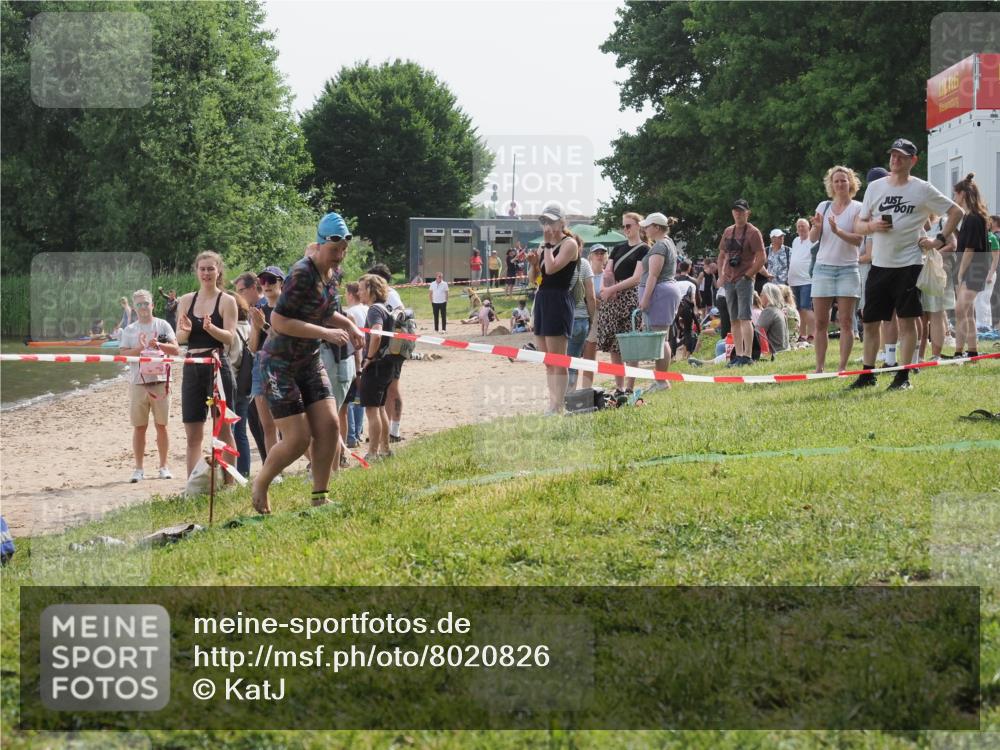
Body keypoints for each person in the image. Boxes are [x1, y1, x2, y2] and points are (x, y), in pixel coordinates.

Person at [251, 213, 364, 514]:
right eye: (334, 247)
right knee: (299, 439)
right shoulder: (302, 273)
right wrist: (325, 332)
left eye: (344, 247)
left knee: (328, 426)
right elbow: (279, 320)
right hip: (279, 364)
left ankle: (320, 497)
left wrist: (350, 326)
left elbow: (325, 311)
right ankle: (261, 483)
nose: (340, 253)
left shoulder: (334, 273)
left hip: (309, 360)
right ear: (321, 244)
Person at [850, 138, 963, 391]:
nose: (895, 160)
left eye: (901, 156)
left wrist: (939, 239)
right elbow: (858, 224)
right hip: (879, 265)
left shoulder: (922, 189)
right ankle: (867, 374)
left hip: (909, 264)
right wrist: (871, 227)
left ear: (913, 161)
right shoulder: (875, 187)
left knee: (907, 321)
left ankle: (903, 376)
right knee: (870, 321)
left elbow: (956, 212)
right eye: (892, 155)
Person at [175, 251, 239, 479]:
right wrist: (188, 330)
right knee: (193, 433)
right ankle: (192, 484)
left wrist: (212, 329)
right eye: (202, 269)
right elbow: (179, 339)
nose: (206, 273)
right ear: (196, 271)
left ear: (218, 270)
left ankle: (229, 481)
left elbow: (230, 337)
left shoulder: (227, 300)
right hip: (192, 366)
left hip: (217, 367)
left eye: (211, 268)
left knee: (223, 428)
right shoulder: (185, 300)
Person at [119, 289, 179, 482]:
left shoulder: (163, 325)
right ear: (135, 308)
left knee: (162, 426)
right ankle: (138, 469)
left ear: (153, 305)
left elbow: (176, 350)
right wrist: (142, 348)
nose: (143, 307)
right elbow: (122, 356)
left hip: (161, 382)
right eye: (139, 304)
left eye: (146, 303)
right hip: (138, 383)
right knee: (139, 427)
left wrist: (158, 345)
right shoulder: (129, 330)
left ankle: (163, 467)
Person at [809, 166, 864, 373]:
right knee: (821, 322)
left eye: (844, 180)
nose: (840, 184)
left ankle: (842, 368)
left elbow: (859, 239)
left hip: (848, 269)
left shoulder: (858, 207)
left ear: (851, 183)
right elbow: (813, 239)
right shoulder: (823, 206)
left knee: (846, 321)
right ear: (831, 185)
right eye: (836, 181)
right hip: (823, 268)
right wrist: (816, 226)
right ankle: (819, 368)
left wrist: (838, 231)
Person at [526, 203, 579, 414]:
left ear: (562, 222)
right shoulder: (542, 246)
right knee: (547, 360)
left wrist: (547, 246)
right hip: (542, 299)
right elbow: (536, 279)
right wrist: (533, 265)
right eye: (544, 221)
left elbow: (553, 267)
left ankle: (558, 405)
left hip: (559, 299)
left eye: (551, 221)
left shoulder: (570, 244)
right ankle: (553, 403)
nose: (547, 225)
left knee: (558, 360)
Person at [596, 212, 649, 391]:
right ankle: (618, 387)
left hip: (629, 298)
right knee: (613, 345)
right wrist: (605, 288)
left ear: (638, 226)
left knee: (630, 343)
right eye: (624, 226)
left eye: (629, 226)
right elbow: (608, 271)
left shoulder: (644, 249)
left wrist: (611, 289)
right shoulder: (618, 248)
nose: (626, 229)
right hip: (612, 299)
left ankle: (630, 387)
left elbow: (636, 278)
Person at [716, 198, 766, 367]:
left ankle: (747, 355)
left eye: (741, 211)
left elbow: (761, 257)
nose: (738, 214)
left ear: (747, 213)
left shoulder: (753, 232)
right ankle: (738, 354)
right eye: (736, 211)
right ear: (732, 213)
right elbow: (722, 253)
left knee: (745, 317)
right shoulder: (728, 231)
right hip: (729, 280)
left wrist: (748, 275)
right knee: (733, 319)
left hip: (744, 280)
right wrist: (721, 275)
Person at [636, 213, 682, 392]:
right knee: (661, 337)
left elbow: (653, 275)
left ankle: (662, 382)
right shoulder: (667, 242)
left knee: (660, 338)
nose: (645, 229)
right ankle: (660, 380)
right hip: (665, 291)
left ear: (656, 227)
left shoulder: (660, 246)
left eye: (647, 226)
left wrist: (645, 299)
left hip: (659, 293)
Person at [952, 173, 996, 359]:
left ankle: (959, 352)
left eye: (955, 195)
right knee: (967, 311)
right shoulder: (970, 217)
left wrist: (960, 273)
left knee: (960, 309)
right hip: (973, 266)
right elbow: (964, 240)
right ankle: (969, 351)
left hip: (975, 268)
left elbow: (970, 249)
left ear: (963, 194)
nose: (954, 198)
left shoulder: (973, 218)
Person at [357, 273, 395, 461]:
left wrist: (368, 358)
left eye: (362, 288)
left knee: (372, 410)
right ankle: (385, 449)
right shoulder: (385, 307)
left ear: (371, 290)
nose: (359, 292)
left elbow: (377, 334)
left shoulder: (374, 310)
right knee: (380, 408)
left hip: (377, 365)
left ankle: (372, 453)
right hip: (388, 365)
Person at [367, 263, 406, 443]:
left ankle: (394, 430)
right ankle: (386, 431)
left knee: (392, 389)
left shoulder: (391, 295)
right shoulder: (384, 297)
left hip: (393, 349)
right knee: (387, 390)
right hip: (387, 349)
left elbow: (401, 314)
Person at [919, 213, 956, 361]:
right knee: (921, 315)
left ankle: (936, 355)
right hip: (920, 272)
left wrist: (932, 254)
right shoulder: (916, 219)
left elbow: (953, 245)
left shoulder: (943, 221)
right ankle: (919, 356)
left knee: (936, 313)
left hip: (937, 271)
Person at [226, 292, 253, 477]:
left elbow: (231, 360)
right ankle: (244, 471)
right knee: (241, 430)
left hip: (233, 383)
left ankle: (232, 471)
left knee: (230, 430)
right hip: (248, 384)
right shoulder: (250, 328)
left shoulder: (232, 331)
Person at [566, 234, 596, 391]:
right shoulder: (584, 264)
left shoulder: (558, 264)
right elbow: (590, 297)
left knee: (560, 361)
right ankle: (570, 392)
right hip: (581, 319)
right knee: (574, 360)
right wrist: (593, 321)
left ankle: (562, 395)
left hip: (562, 319)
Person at [580, 244, 608, 391]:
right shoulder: (585, 272)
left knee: (590, 354)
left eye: (602, 253)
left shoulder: (608, 275)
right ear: (590, 256)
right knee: (584, 354)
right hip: (584, 314)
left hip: (601, 316)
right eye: (596, 253)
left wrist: (597, 300)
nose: (599, 255)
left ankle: (586, 388)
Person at [343, 282, 368, 449]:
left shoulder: (349, 313)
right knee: (360, 398)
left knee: (349, 400)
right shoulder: (367, 309)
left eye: (346, 293)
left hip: (353, 356)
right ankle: (358, 432)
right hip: (367, 356)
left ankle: (351, 435)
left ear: (350, 295)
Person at [787, 218, 814, 343]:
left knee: (806, 307)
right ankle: (802, 334)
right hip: (794, 280)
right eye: (798, 226)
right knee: (798, 309)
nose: (800, 228)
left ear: (809, 227)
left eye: (803, 226)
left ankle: (814, 333)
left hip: (806, 279)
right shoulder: (795, 241)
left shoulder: (813, 240)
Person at [758, 283, 790, 353]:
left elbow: (758, 333)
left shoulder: (769, 311)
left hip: (774, 351)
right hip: (783, 349)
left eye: (762, 294)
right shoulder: (778, 311)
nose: (760, 296)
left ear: (769, 296)